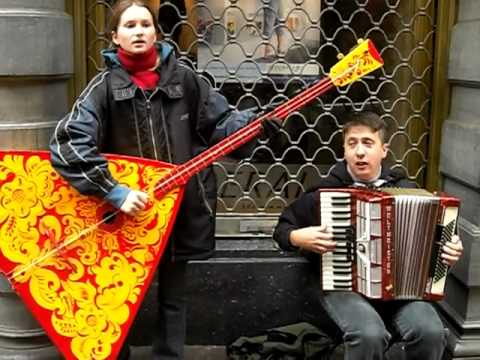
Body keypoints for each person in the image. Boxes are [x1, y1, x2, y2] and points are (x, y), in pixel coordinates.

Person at [49, 1, 276, 358]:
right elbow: (68, 143)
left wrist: (251, 125)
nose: (138, 31)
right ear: (115, 37)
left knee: (174, 298)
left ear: (156, 32)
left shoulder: (185, 79)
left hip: (177, 208)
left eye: (144, 24)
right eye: (129, 25)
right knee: (118, 297)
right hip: (124, 215)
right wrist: (113, 190)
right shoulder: (103, 88)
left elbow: (220, 124)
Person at [273, 111, 464, 360]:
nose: (359, 152)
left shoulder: (408, 190)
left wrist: (450, 249)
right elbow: (282, 230)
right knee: (368, 334)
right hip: (344, 287)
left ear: (384, 150)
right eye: (352, 144)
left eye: (367, 143)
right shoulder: (326, 192)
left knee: (430, 331)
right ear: (344, 151)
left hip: (400, 291)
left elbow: (445, 237)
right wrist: (299, 237)